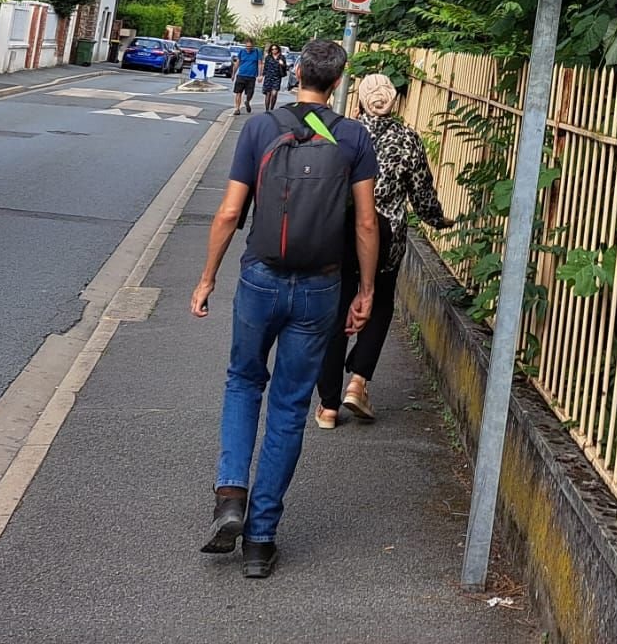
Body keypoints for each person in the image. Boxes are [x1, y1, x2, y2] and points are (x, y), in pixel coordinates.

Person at [190, 38, 379, 578]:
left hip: (260, 278)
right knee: (291, 406)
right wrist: (364, 290)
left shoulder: (259, 128)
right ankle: (260, 539)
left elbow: (229, 213)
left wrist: (206, 278)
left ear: (297, 72)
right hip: (320, 287)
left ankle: (231, 495)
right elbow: (366, 223)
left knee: (244, 381)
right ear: (339, 82)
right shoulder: (353, 136)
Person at [315, 73, 449, 427]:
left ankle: (328, 406)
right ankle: (358, 382)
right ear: (395, 102)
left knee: (336, 309)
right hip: (387, 235)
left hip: (340, 232)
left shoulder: (341, 133)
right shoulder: (408, 140)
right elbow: (422, 194)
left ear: (359, 101)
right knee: (381, 302)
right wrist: (438, 221)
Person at [232, 41, 263, 114]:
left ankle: (247, 101)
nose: (248, 48)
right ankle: (237, 108)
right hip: (241, 75)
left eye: (250, 47)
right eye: (247, 47)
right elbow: (237, 63)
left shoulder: (257, 52)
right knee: (238, 92)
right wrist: (233, 74)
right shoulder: (242, 52)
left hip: (251, 76)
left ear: (253, 46)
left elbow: (260, 64)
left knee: (250, 93)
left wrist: (260, 75)